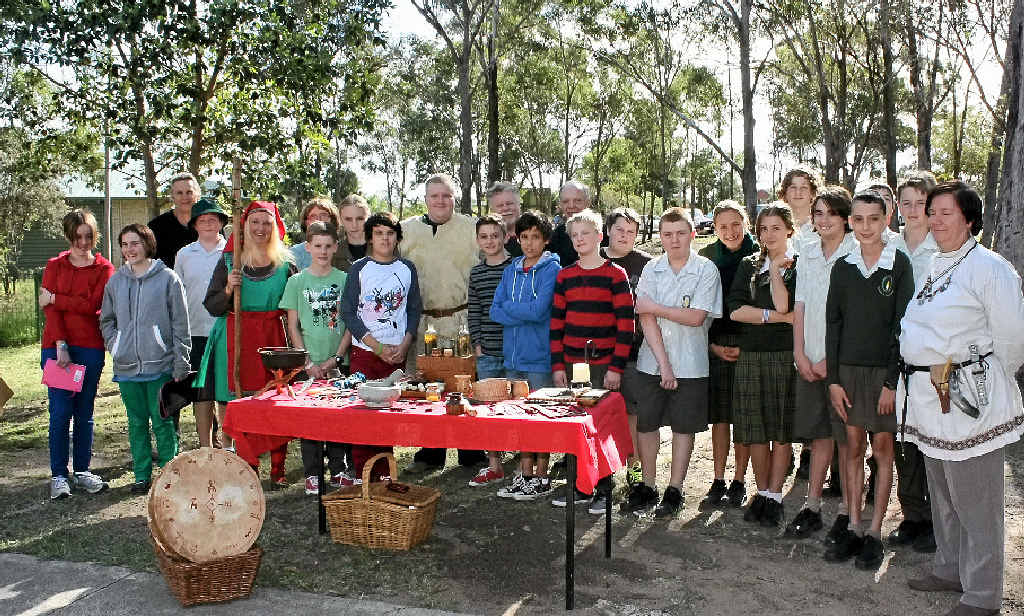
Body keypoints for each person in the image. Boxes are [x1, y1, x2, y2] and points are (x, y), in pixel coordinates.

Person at [900, 181, 1023, 616]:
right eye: (931, 212)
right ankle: (951, 568)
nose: (935, 220)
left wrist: (983, 381)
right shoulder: (936, 264)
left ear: (969, 219)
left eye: (945, 212)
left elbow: (1012, 339)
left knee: (977, 502)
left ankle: (983, 595)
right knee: (944, 495)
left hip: (970, 402)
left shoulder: (989, 268)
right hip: (932, 400)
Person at [822, 191, 914, 569]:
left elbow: (902, 326)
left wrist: (891, 383)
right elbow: (833, 324)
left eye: (873, 219)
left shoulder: (899, 264)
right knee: (852, 448)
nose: (865, 226)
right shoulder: (843, 267)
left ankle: (875, 532)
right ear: (850, 222)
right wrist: (833, 380)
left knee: (883, 449)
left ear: (886, 219)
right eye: (858, 219)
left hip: (883, 374)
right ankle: (855, 527)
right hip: (847, 373)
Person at [629, 207, 721, 517]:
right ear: (660, 236)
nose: (674, 240)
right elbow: (645, 318)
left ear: (692, 234)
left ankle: (675, 488)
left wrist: (657, 307)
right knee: (647, 424)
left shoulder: (706, 269)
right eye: (667, 234)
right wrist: (664, 365)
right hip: (651, 362)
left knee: (684, 427)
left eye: (681, 233)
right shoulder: (652, 268)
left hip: (691, 362)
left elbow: (696, 317)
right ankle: (648, 484)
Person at [198, 201, 296, 485]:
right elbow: (212, 306)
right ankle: (245, 468)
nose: (260, 228)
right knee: (236, 403)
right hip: (235, 336)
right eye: (255, 222)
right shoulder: (231, 261)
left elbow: (295, 309)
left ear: (275, 228)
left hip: (272, 338)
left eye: (266, 223)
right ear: (245, 226)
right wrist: (229, 287)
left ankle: (277, 468)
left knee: (275, 402)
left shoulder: (286, 264)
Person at [784, 187, 858, 540]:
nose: (824, 220)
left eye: (831, 213)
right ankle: (811, 504)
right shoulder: (808, 252)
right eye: (818, 213)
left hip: (842, 365)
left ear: (845, 218)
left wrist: (833, 361)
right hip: (809, 360)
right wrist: (799, 353)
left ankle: (846, 510)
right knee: (818, 435)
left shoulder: (857, 252)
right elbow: (799, 306)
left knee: (847, 439)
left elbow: (855, 314)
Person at [549, 208, 634, 508]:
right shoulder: (565, 276)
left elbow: (626, 325)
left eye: (585, 233)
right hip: (572, 366)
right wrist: (558, 366)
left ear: (599, 236)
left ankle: (605, 488)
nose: (579, 239)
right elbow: (556, 325)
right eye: (574, 235)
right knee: (576, 426)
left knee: (601, 427)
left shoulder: (615, 274)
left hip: (603, 366)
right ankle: (580, 486)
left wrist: (616, 368)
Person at [400, 174, 483, 471]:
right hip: (424, 321)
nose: (440, 201)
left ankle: (471, 452)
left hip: (462, 317)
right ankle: (430, 453)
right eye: (434, 196)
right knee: (427, 386)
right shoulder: (406, 230)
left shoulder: (472, 228)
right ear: (425, 199)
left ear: (454, 198)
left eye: (446, 195)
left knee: (464, 384)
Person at [100, 224, 190, 494]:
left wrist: (181, 360)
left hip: (160, 365)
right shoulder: (116, 281)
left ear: (147, 244)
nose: (130, 249)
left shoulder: (168, 279)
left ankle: (170, 475)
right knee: (136, 423)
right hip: (127, 368)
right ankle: (141, 476)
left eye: (135, 243)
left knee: (162, 422)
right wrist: (116, 345)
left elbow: (180, 324)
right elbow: (106, 320)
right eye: (125, 244)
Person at [726, 204, 797, 528]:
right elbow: (735, 311)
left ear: (789, 230)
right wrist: (775, 317)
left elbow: (785, 303)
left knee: (780, 430)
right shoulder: (748, 265)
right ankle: (763, 492)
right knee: (755, 430)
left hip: (783, 355)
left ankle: (775, 496)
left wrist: (778, 272)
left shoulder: (798, 265)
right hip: (751, 355)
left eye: (776, 228)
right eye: (764, 229)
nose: (769, 235)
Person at [38, 209, 115, 500]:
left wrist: (56, 298)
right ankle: (59, 475)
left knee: (84, 413)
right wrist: (60, 344)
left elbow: (94, 306)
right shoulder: (54, 266)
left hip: (90, 348)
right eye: (77, 237)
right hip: (57, 348)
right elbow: (50, 311)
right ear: (69, 236)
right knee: (60, 412)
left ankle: (82, 471)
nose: (83, 242)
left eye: (88, 236)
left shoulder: (104, 269)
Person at [341, 212, 423, 481]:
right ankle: (362, 474)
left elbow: (414, 309)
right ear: (370, 238)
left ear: (398, 238)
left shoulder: (407, 268)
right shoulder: (359, 268)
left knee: (388, 413)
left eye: (390, 233)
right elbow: (348, 313)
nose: (385, 239)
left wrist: (405, 344)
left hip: (397, 352)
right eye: (378, 233)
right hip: (366, 352)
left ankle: (385, 472)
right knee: (363, 413)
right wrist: (376, 347)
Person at [489, 211, 561, 500]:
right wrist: (522, 311)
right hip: (513, 359)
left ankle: (542, 476)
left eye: (535, 237)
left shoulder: (552, 269)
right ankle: (525, 474)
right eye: (524, 237)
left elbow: (540, 311)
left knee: (540, 417)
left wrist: (512, 309)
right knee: (520, 417)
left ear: (545, 240)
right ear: (517, 239)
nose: (529, 243)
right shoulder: (511, 270)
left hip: (539, 357)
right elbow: (495, 311)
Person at [886, 171, 940, 552]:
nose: (913, 209)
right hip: (897, 357)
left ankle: (937, 520)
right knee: (903, 440)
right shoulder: (889, 246)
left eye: (921, 202)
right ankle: (912, 516)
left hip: (933, 360)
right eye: (906, 202)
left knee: (933, 442)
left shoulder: (944, 247)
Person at [279, 221, 353, 495]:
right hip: (307, 365)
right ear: (308, 247)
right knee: (309, 419)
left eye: (328, 246)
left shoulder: (345, 280)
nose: (323, 251)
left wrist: (337, 357)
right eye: (317, 246)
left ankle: (339, 470)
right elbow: (292, 326)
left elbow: (350, 324)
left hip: (337, 364)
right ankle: (312, 474)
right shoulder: (296, 282)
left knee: (337, 417)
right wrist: (307, 362)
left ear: (335, 247)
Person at [697, 200, 759, 508]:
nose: (730, 231)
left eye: (736, 224)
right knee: (720, 417)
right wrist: (712, 346)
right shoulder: (706, 257)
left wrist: (749, 345)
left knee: (743, 417)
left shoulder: (759, 254)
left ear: (745, 223)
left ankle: (739, 480)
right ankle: (718, 479)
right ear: (714, 228)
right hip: (717, 342)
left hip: (751, 343)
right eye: (722, 226)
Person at [600, 207, 651, 510]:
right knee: (599, 414)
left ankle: (634, 470)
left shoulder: (646, 264)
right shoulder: (594, 259)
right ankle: (599, 473)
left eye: (631, 232)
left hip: (634, 350)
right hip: (597, 352)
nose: (625, 236)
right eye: (620, 229)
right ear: (607, 230)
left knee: (633, 413)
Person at [173, 198, 229, 450]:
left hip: (225, 330)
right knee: (201, 391)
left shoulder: (232, 252)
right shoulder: (185, 254)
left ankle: (228, 444)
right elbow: (178, 294)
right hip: (195, 331)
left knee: (225, 392)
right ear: (194, 224)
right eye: (202, 220)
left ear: (221, 223)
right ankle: (205, 444)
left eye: (213, 219)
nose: (208, 223)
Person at [467, 215, 512, 487]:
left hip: (516, 351)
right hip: (488, 352)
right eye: (484, 236)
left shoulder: (516, 267)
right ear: (477, 240)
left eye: (495, 235)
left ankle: (525, 463)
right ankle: (494, 464)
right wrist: (477, 344)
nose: (490, 241)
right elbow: (474, 311)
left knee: (517, 406)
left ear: (505, 237)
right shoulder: (476, 273)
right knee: (487, 408)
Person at [149, 173, 200, 270]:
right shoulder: (156, 226)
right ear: (172, 196)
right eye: (179, 193)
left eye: (189, 192)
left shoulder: (210, 224)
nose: (185, 197)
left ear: (197, 194)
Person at [546, 180, 591, 267]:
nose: (571, 205)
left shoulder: (604, 235)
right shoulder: (554, 238)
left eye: (577, 200)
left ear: (587, 203)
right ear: (560, 204)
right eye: (565, 201)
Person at [291, 197, 339, 271]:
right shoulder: (296, 253)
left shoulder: (343, 249)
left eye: (323, 215)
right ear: (306, 222)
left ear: (332, 220)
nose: (318, 220)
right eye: (313, 217)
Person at [487, 182, 523, 257]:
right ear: (492, 210)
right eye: (500, 205)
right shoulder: (486, 242)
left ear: (519, 205)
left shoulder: (538, 235)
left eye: (509, 203)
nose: (505, 208)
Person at [336, 194, 370, 270]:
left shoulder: (385, 248)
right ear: (341, 220)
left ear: (368, 218)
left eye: (360, 219)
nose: (354, 225)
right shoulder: (333, 253)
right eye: (348, 219)